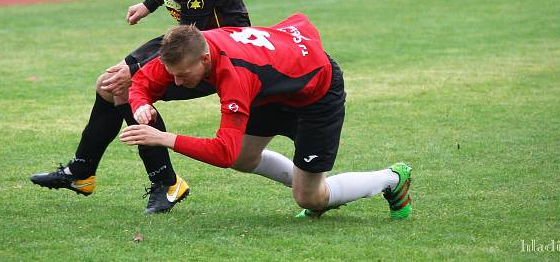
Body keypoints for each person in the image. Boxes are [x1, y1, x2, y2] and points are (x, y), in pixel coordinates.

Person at [31, 0, 250, 213]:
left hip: (216, 57)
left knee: (124, 83)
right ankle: (82, 172)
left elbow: (187, 36)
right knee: (109, 85)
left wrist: (133, 64)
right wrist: (149, 4)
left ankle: (168, 183)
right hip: (192, 44)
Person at [119, 13, 413, 219]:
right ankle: (307, 181)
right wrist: (141, 103)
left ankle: (392, 178)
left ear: (205, 59)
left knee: (310, 198)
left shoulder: (235, 77)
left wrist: (163, 138)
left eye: (183, 76)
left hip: (317, 93)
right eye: (174, 76)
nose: (178, 83)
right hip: (272, 89)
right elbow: (142, 81)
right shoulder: (187, 47)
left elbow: (223, 152)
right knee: (244, 159)